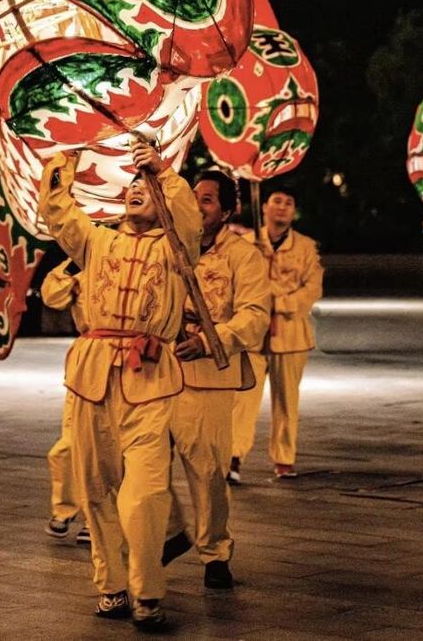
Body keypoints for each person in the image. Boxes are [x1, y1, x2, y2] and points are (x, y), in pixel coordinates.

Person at [38, 141, 202, 628]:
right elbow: (59, 213)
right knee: (97, 488)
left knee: (147, 490)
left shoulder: (177, 246)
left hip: (149, 376)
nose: (135, 190)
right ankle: (110, 586)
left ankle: (148, 591)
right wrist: (62, 163)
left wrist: (164, 172)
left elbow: (189, 218)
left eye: (144, 186)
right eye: (131, 185)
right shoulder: (97, 241)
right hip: (92, 376)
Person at [164, 170, 271, 589]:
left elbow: (254, 317)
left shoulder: (243, 256)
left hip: (208, 377)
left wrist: (211, 341)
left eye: (207, 200)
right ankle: (171, 532)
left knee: (207, 472)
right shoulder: (165, 244)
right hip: (155, 372)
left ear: (227, 211)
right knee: (140, 461)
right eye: (193, 196)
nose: (197, 204)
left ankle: (214, 551)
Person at [230, 185, 323, 482]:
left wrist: (279, 303)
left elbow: (312, 288)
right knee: (242, 398)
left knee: (286, 400)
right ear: (265, 207)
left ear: (293, 211)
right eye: (277, 201)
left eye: (288, 202)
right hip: (253, 334)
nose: (282, 207)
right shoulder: (244, 243)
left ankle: (284, 458)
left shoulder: (306, 247)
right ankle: (233, 455)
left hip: (290, 333)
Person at [41, 259, 90, 544]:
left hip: (133, 365)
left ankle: (97, 522)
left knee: (111, 449)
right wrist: (74, 265)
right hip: (87, 363)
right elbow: (53, 296)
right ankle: (66, 507)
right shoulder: (85, 253)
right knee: (68, 445)